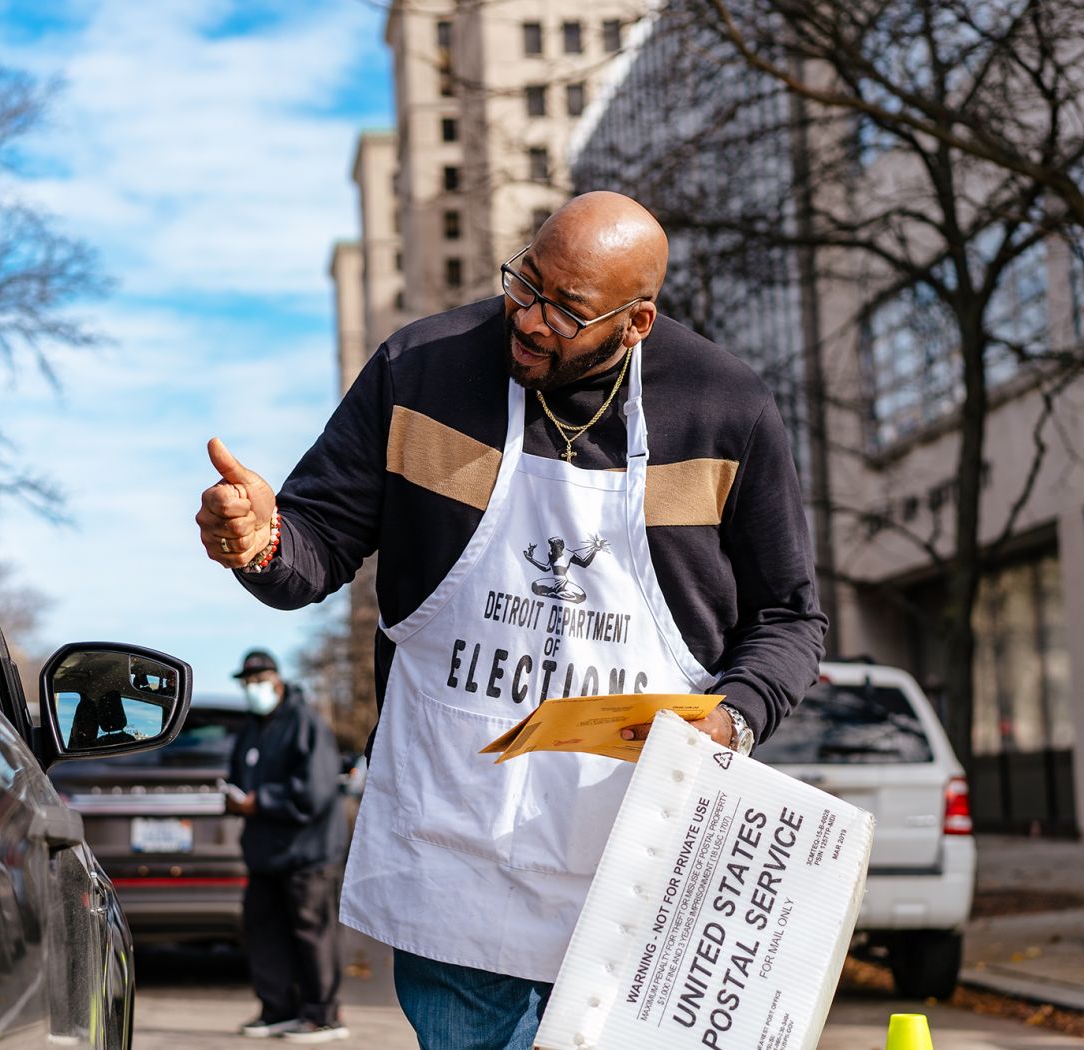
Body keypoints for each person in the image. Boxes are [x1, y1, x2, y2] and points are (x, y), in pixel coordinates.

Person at [195, 192, 827, 1049]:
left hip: (637, 864)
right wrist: (262, 543)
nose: (527, 320)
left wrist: (733, 717)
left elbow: (789, 618)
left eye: (566, 310)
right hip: (457, 847)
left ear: (636, 320)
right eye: (524, 282)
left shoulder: (726, 408)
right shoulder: (419, 371)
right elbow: (316, 545)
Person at [225, 649, 349, 1044]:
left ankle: (323, 1016)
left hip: (307, 854)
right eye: (247, 684)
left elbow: (314, 792)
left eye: (258, 682)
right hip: (264, 855)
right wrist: (234, 798)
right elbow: (237, 778)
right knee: (265, 933)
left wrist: (260, 801)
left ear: (277, 681)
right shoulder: (251, 728)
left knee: (311, 933)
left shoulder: (305, 723)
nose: (252, 690)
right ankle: (278, 1009)